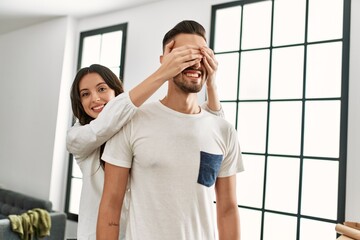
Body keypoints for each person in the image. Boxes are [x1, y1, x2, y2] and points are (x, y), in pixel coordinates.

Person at [97, 20, 244, 240]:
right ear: (165, 61)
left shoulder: (223, 130)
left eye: (201, 55)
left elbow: (228, 209)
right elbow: (110, 205)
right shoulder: (133, 122)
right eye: (185, 55)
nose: (195, 62)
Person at [66, 39, 224, 239]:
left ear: (116, 91)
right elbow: (105, 125)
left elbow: (214, 135)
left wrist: (211, 83)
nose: (95, 98)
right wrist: (163, 73)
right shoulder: (77, 137)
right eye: (85, 94)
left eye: (102, 89)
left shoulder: (135, 126)